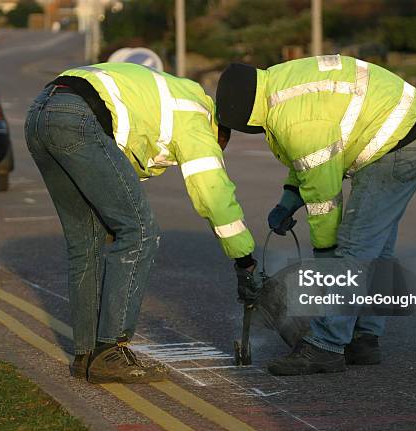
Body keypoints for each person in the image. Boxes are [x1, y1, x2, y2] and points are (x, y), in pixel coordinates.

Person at [24, 63, 257, 384]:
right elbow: (213, 192)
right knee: (140, 232)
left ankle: (86, 355)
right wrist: (243, 257)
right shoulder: (198, 122)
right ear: (219, 133)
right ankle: (111, 349)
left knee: (85, 241)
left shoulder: (175, 97)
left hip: (41, 113)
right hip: (78, 118)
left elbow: (123, 162)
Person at [216, 55, 416, 375]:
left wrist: (326, 257)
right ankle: (364, 338)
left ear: (246, 118)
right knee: (376, 248)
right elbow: (310, 162)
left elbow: (324, 198)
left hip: (398, 143)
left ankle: (326, 345)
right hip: (407, 131)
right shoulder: (277, 88)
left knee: (352, 248)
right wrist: (288, 201)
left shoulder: (293, 119)